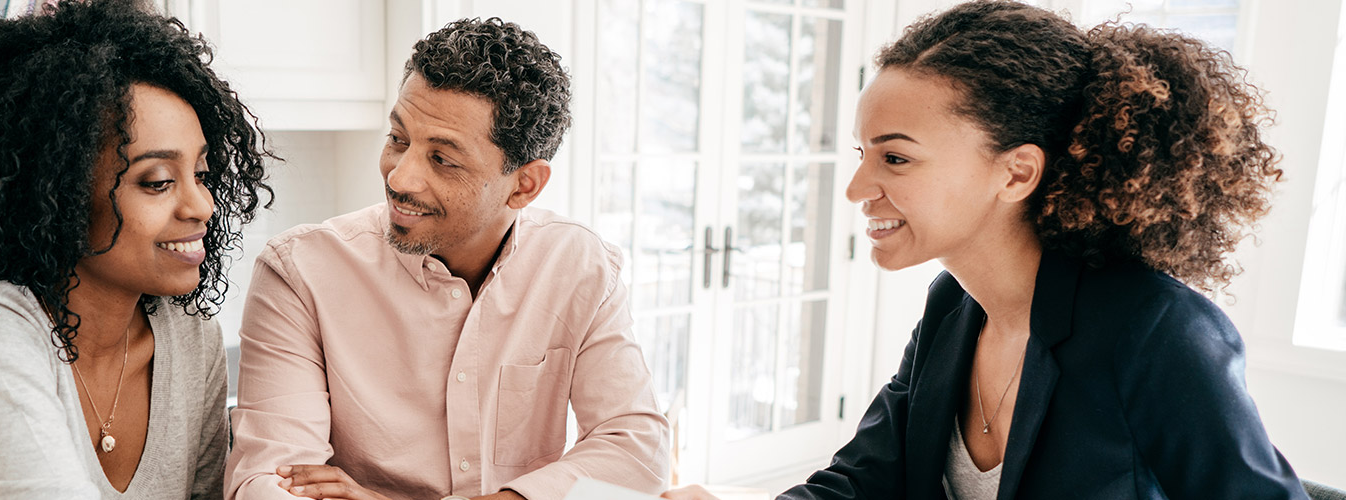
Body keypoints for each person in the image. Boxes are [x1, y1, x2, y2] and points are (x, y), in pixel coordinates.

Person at [668, 1, 1307, 499]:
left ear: (1016, 173)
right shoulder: (953, 306)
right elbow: (865, 481)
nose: (858, 188)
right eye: (862, 155)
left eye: (895, 158)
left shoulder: (1154, 329)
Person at [0, 1, 272, 498]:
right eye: (158, 182)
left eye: (202, 174)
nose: (201, 205)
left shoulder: (189, 338)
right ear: (54, 193)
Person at [226, 17, 671, 500]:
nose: (400, 178)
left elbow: (636, 449)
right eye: (398, 139)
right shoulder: (299, 273)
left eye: (442, 159)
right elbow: (268, 484)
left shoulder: (581, 266)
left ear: (524, 185)